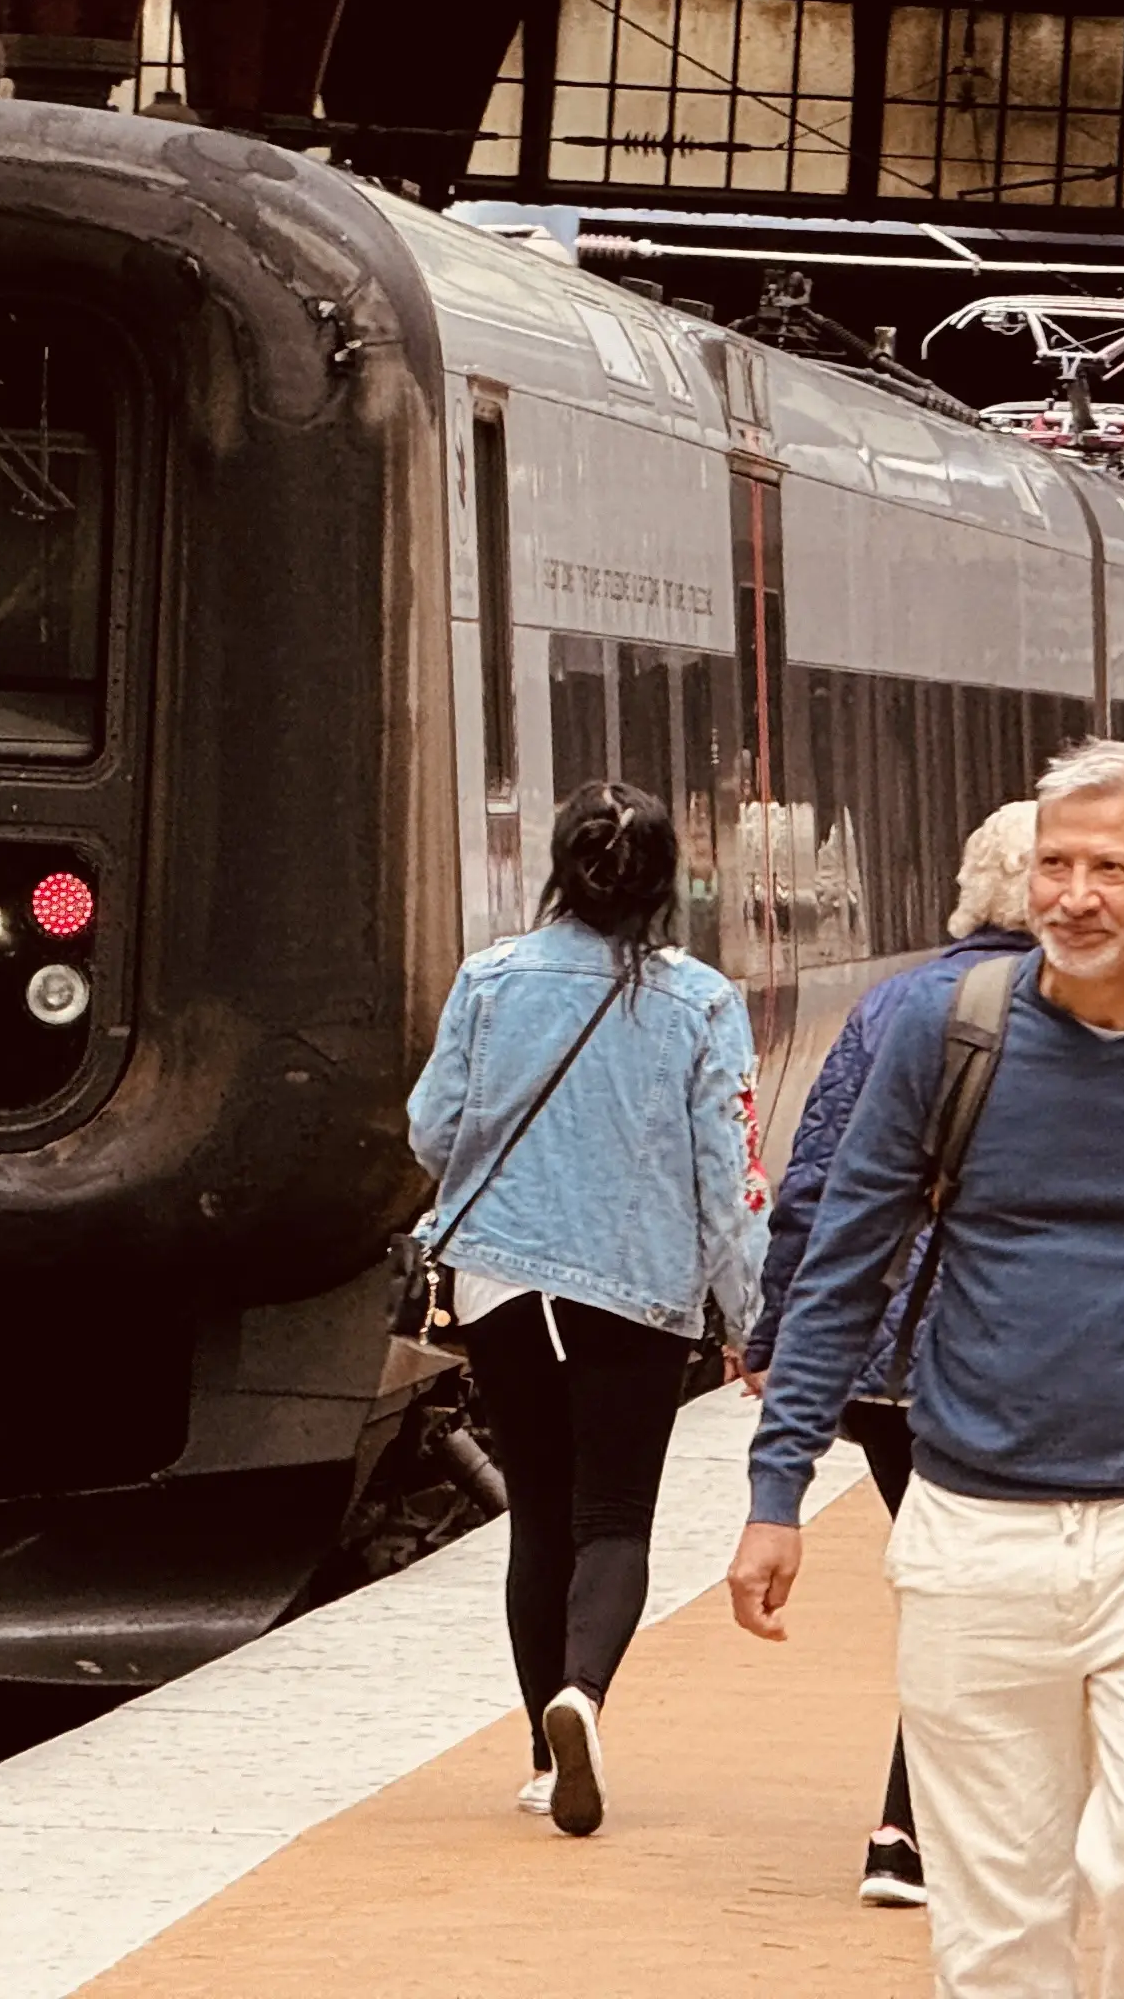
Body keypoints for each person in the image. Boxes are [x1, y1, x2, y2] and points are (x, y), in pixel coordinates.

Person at [730, 740, 1124, 1999]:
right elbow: (841, 1270)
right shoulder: (943, 1030)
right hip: (973, 1522)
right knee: (994, 1915)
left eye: (1111, 869)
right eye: (1055, 865)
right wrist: (778, 1489)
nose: (1074, 896)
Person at [405, 781, 759, 1837]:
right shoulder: (701, 1003)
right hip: (636, 1294)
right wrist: (752, 1320)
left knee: (540, 1519)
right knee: (613, 1520)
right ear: (664, 884)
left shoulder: (491, 978)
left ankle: (536, 1750)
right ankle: (584, 1697)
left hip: (503, 1284)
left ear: (559, 869)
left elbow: (432, 1131)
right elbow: (730, 1179)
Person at [742, 798, 1041, 1912]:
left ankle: (917, 1823)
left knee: (951, 1583)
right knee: (988, 1591)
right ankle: (913, 1826)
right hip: (1000, 1358)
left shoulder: (891, 1010)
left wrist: (778, 1336)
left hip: (882, 1358)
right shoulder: (1084, 1015)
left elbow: (812, 1188)